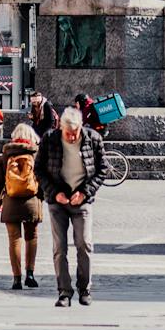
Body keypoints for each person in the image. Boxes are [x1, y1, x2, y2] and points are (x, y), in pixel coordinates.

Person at [37, 106, 108, 307]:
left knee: (84, 244)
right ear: (61, 128)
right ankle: (64, 292)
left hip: (81, 199)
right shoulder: (50, 139)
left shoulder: (93, 139)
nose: (71, 137)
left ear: (80, 127)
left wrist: (85, 192)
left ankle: (85, 289)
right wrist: (54, 193)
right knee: (59, 248)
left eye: (75, 133)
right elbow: (39, 170)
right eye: (67, 133)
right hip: (57, 200)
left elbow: (103, 169)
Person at [0, 121, 45, 289]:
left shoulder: (6, 154)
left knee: (14, 239)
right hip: (32, 200)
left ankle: (16, 279)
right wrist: (42, 197)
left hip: (11, 200)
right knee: (32, 237)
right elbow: (43, 179)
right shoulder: (36, 154)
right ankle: (30, 274)